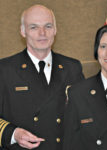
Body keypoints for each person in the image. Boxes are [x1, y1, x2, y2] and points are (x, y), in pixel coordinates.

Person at [0, 4, 84, 150]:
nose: (42, 33)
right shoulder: (5, 69)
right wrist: (13, 133)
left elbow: (85, 115)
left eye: (48, 26)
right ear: (23, 31)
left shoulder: (72, 67)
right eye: (34, 27)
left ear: (55, 30)